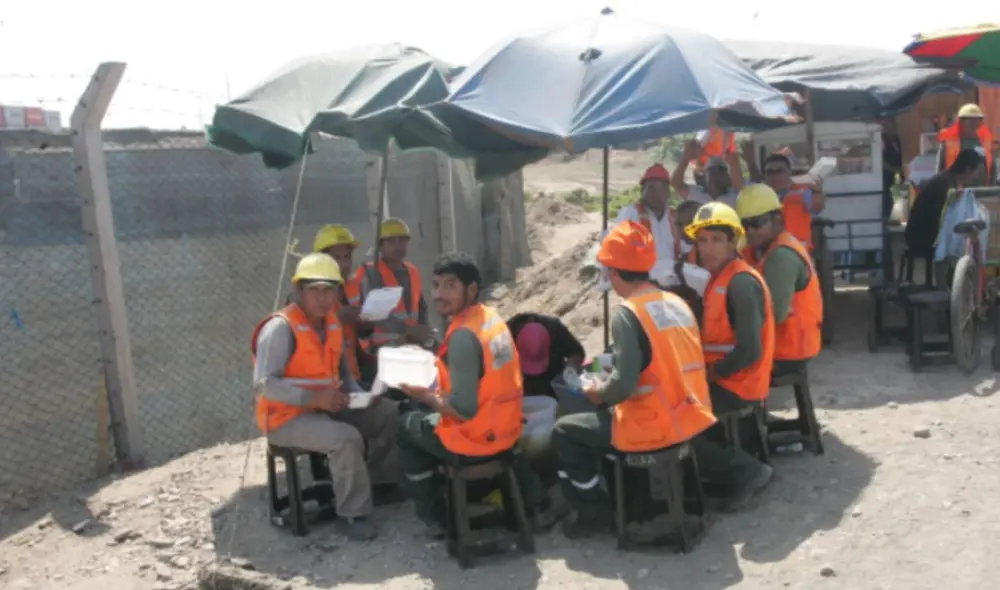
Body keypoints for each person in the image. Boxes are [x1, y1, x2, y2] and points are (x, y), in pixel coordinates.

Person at [551, 221, 772, 537]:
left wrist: (596, 391)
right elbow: (651, 356)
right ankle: (737, 472)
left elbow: (623, 386)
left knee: (566, 431)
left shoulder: (627, 314)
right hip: (690, 410)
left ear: (613, 273)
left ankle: (594, 513)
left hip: (653, 424)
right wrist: (606, 368)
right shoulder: (673, 302)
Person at [252, 253, 400, 541]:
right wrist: (313, 399)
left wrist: (362, 396)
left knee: (388, 414)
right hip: (285, 418)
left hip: (325, 407)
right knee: (345, 438)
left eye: (329, 289)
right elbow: (263, 385)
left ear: (338, 292)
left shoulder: (332, 323)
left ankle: (378, 484)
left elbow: (343, 377)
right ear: (299, 291)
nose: (323, 298)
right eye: (315, 290)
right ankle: (354, 513)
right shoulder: (280, 328)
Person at [395, 251, 545, 536]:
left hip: (475, 439)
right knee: (428, 414)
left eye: (450, 285)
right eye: (436, 285)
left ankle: (435, 518)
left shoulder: (463, 335)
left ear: (472, 288)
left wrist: (422, 393)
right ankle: (535, 503)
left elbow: (463, 409)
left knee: (407, 426)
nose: (439, 294)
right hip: (507, 428)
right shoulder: (490, 319)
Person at [735, 184, 823, 373]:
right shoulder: (758, 249)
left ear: (777, 219)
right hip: (780, 344)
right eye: (744, 225)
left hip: (788, 351)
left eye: (757, 223)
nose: (750, 231)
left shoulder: (781, 256)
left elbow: (773, 315)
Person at [355, 217, 433, 359]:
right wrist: (409, 330)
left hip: (412, 346)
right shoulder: (370, 272)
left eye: (402, 240)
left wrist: (423, 332)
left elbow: (421, 307)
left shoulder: (412, 271)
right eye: (391, 241)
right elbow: (372, 314)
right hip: (380, 351)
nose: (398, 245)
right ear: (381, 245)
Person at [905, 149, 985, 281]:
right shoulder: (946, 185)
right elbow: (942, 220)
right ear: (967, 170)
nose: (976, 175)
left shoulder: (948, 180)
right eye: (975, 170)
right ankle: (947, 286)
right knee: (956, 245)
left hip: (925, 230)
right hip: (921, 235)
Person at [313, 224, 366, 384]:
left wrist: (365, 322)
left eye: (347, 257)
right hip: (324, 383)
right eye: (336, 258)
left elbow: (359, 336)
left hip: (352, 376)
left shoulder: (353, 285)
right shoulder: (308, 292)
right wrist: (336, 318)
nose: (343, 264)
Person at [612, 163, 679, 274]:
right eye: (651, 187)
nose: (655, 193)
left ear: (668, 192)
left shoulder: (675, 217)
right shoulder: (631, 214)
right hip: (641, 280)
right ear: (642, 191)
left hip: (672, 280)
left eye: (660, 188)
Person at [754, 153, 826, 250]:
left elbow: (817, 206)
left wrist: (817, 190)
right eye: (770, 172)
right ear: (765, 176)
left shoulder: (803, 191)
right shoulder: (758, 197)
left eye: (780, 171)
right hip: (769, 253)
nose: (775, 176)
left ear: (789, 172)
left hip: (798, 252)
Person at [507, 312, 586, 397]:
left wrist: (570, 366)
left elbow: (577, 352)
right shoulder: (504, 337)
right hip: (524, 392)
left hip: (556, 385)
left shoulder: (554, 328)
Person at [671, 139, 745, 205]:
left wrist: (733, 161)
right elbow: (676, 183)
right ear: (705, 175)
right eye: (711, 170)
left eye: (721, 170)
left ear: (727, 177)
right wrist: (685, 158)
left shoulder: (735, 195)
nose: (716, 174)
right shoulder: (696, 193)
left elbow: (740, 184)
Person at [936, 103, 994, 186]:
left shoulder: (985, 140)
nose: (973, 123)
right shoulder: (948, 142)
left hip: (981, 192)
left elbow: (991, 166)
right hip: (956, 191)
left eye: (976, 119)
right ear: (960, 121)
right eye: (968, 119)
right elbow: (939, 170)